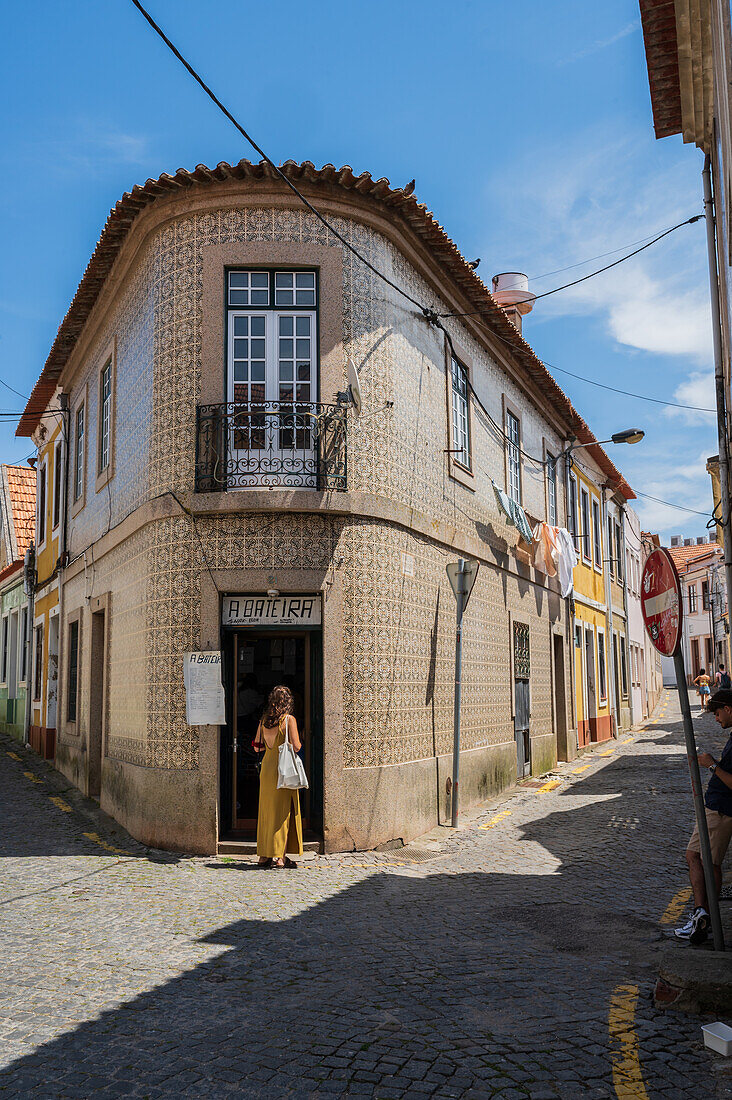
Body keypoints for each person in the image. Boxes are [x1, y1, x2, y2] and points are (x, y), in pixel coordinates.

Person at [675, 689, 732, 944]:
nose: (716, 719)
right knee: (695, 856)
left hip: (721, 811)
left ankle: (704, 917)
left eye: (718, 714)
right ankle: (702, 915)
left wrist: (711, 765)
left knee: (708, 861)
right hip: (715, 807)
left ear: (728, 709)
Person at [253, 685, 304, 869]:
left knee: (266, 812)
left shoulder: (263, 720)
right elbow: (296, 746)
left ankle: (263, 856)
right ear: (288, 702)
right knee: (283, 813)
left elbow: (257, 746)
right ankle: (279, 857)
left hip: (267, 768)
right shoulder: (289, 720)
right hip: (284, 770)